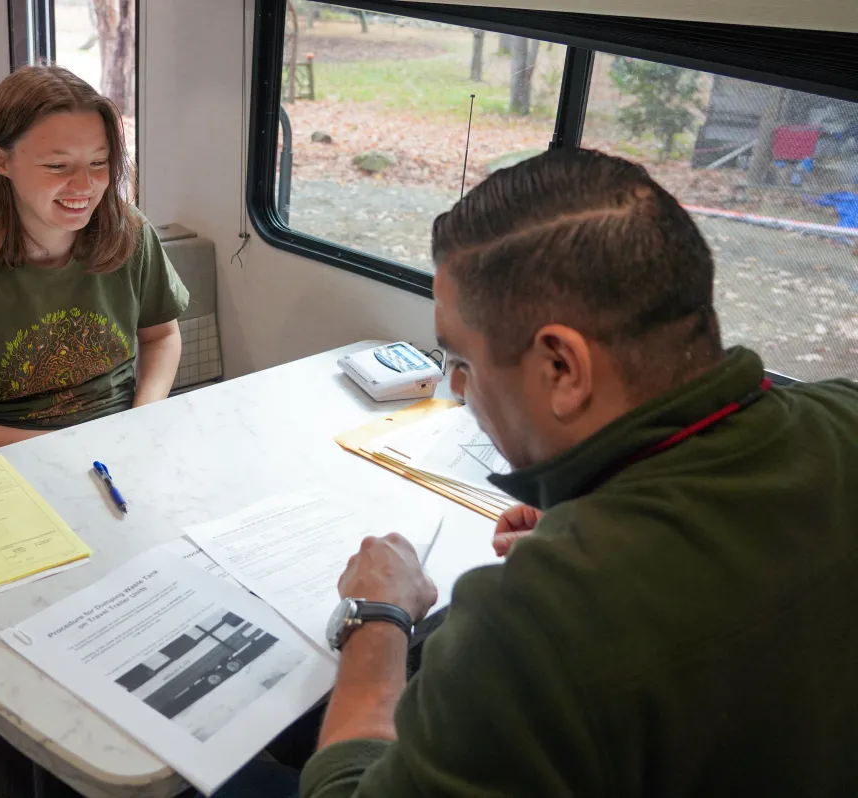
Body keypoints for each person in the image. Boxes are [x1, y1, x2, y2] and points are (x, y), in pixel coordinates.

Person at [302, 149, 858, 797]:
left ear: (562, 368)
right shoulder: (844, 410)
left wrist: (376, 616)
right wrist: (592, 524)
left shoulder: (533, 627)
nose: (458, 390)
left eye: (462, 362)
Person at [0, 66, 188, 463]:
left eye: (99, 162)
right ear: (0, 162)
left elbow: (161, 337)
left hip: (123, 444)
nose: (85, 186)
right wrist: (77, 450)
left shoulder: (129, 231)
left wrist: (141, 420)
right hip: (11, 463)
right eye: (58, 166)